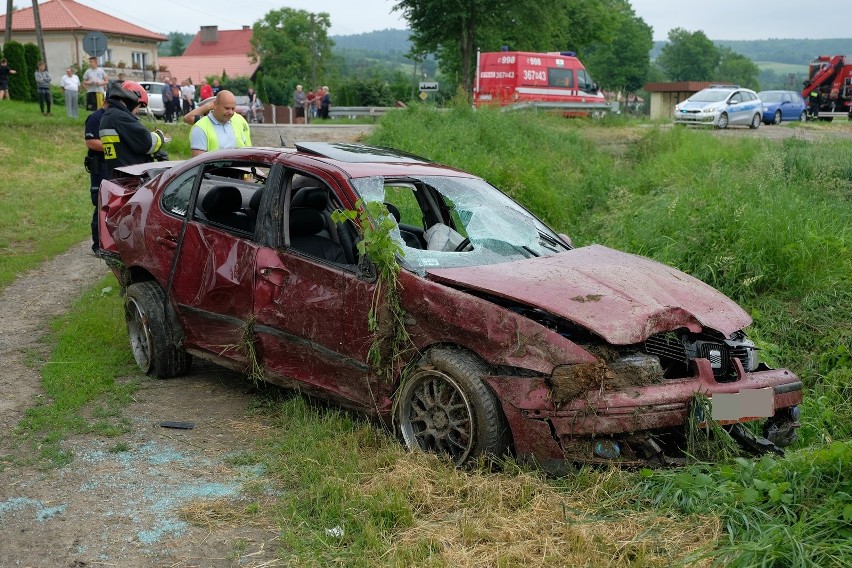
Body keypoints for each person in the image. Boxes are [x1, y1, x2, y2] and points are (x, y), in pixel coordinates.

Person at [98, 80, 167, 179]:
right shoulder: (121, 117)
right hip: (131, 178)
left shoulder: (108, 116)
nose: (137, 111)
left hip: (118, 176)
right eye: (138, 106)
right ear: (132, 100)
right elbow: (147, 143)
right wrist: (159, 136)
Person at [189, 90, 251, 156]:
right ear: (215, 105)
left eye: (233, 109)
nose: (231, 112)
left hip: (240, 166)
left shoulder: (238, 120)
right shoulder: (200, 128)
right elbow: (198, 162)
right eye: (227, 108)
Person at [85, 99, 109, 252]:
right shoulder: (95, 118)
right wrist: (115, 145)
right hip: (99, 165)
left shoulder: (113, 118)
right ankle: (97, 244)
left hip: (111, 164)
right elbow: (91, 142)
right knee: (100, 202)